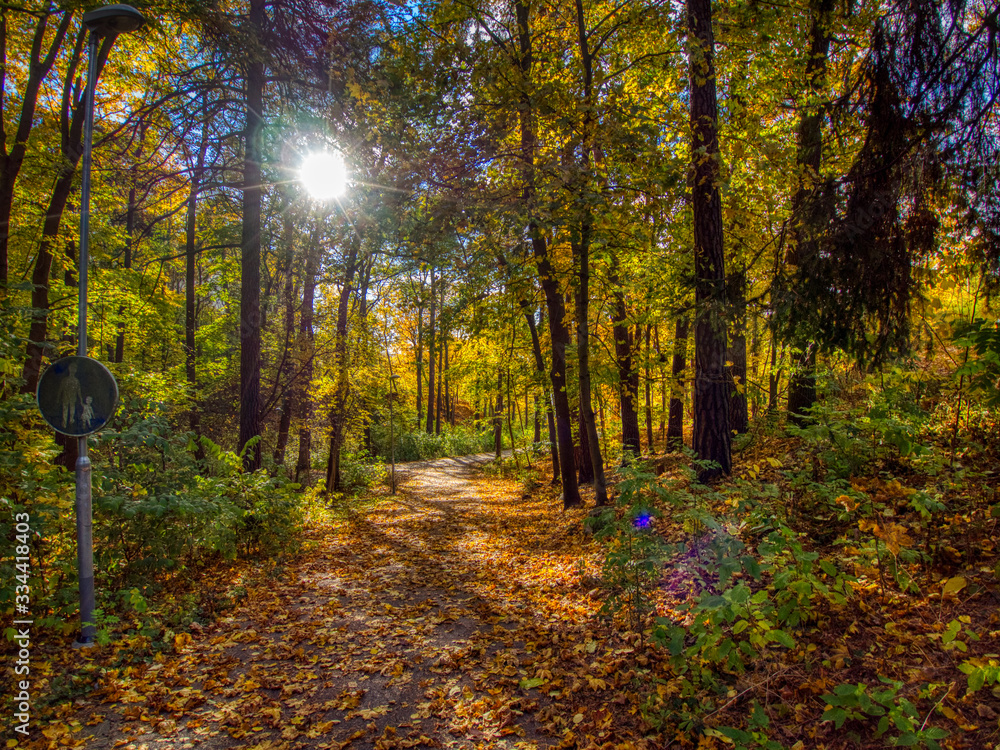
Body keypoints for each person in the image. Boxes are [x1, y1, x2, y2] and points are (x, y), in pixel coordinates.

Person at [57, 362, 84, 430]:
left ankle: (71, 423)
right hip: (65, 398)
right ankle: (64, 425)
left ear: (76, 370)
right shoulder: (65, 380)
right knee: (65, 410)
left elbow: (79, 392)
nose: (73, 370)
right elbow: (60, 389)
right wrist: (58, 398)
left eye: (74, 368)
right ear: (69, 369)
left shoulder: (76, 381)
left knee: (72, 410)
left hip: (73, 398)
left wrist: (81, 400)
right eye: (71, 368)